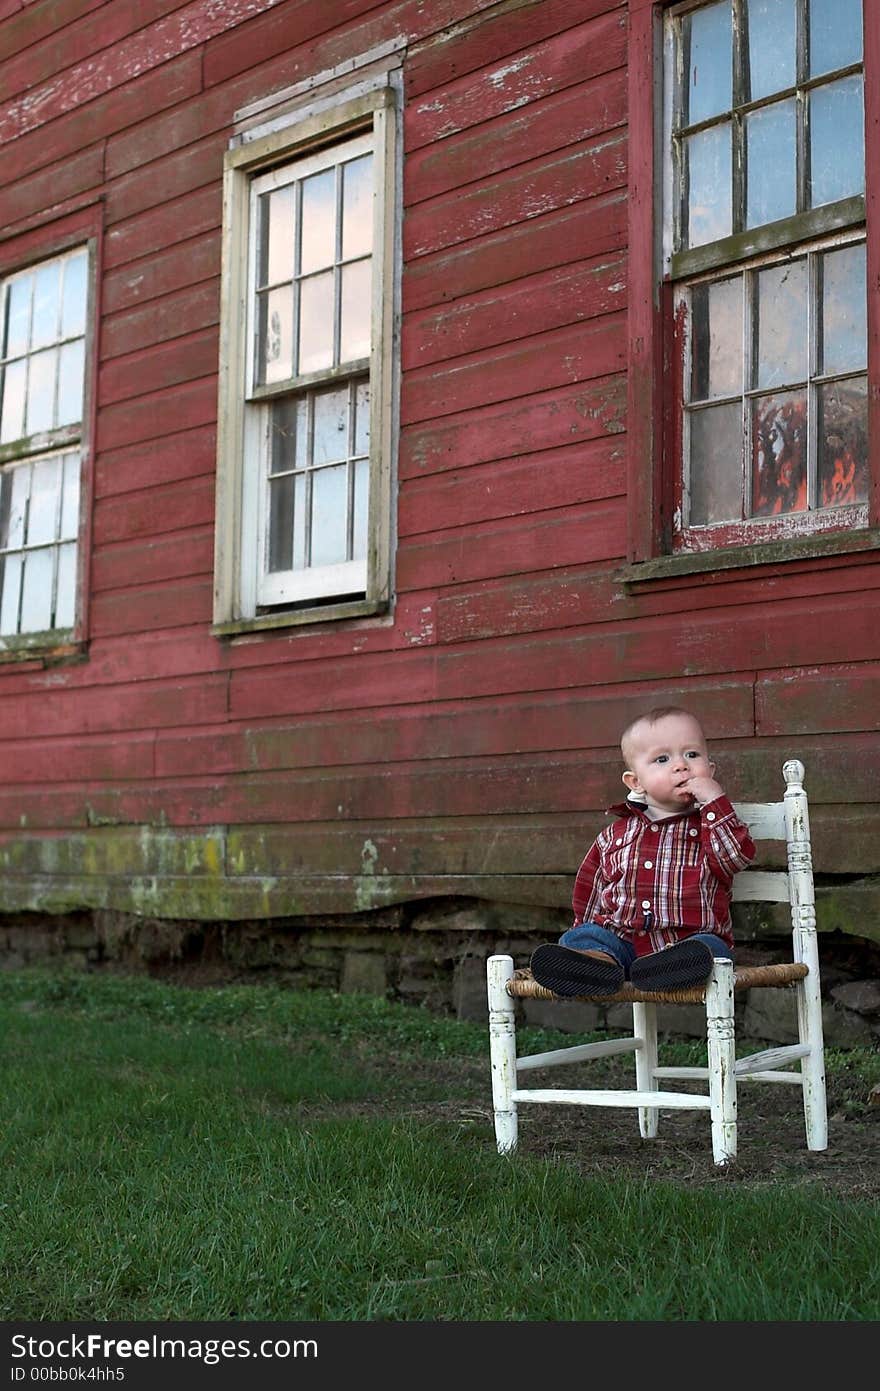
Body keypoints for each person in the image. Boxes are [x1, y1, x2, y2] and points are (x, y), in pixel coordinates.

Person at [530, 706, 756, 995]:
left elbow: (736, 857)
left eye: (692, 755)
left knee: (711, 950)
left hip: (688, 941)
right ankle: (596, 964)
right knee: (584, 936)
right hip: (621, 944)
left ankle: (667, 970)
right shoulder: (614, 836)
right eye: (662, 759)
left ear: (710, 770)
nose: (681, 765)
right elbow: (590, 895)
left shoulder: (711, 827)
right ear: (635, 782)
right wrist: (584, 937)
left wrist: (715, 801)